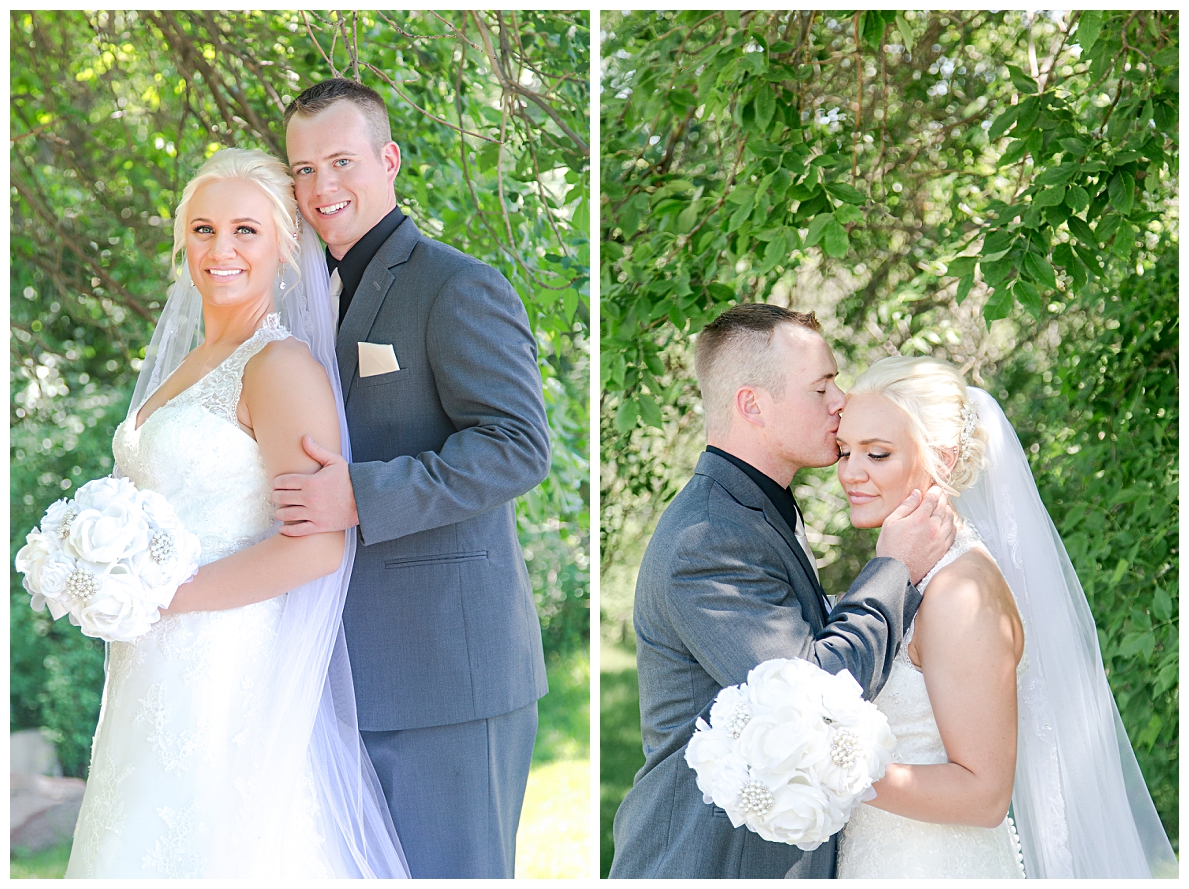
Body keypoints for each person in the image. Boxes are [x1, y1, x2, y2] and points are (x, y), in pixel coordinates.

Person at [65, 149, 409, 877]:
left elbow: (315, 548)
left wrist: (163, 596)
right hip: (146, 663)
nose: (220, 250)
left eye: (245, 230)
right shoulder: (189, 362)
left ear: (283, 246)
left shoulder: (279, 367)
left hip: (225, 666)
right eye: (203, 228)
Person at [272, 78, 551, 879]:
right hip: (333, 671)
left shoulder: (456, 285)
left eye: (340, 162)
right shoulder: (300, 303)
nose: (322, 189)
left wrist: (360, 494)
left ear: (387, 160)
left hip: (446, 676)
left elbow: (516, 445)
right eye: (302, 171)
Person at [608, 304, 956, 879]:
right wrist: (893, 566)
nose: (840, 401)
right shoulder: (709, 538)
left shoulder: (753, 513)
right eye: (821, 388)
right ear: (752, 405)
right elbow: (814, 695)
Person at [833, 355, 1177, 879]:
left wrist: (825, 770)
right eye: (844, 451)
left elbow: (984, 793)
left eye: (877, 454)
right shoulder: (915, 574)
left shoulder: (959, 592)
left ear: (943, 460)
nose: (850, 472)